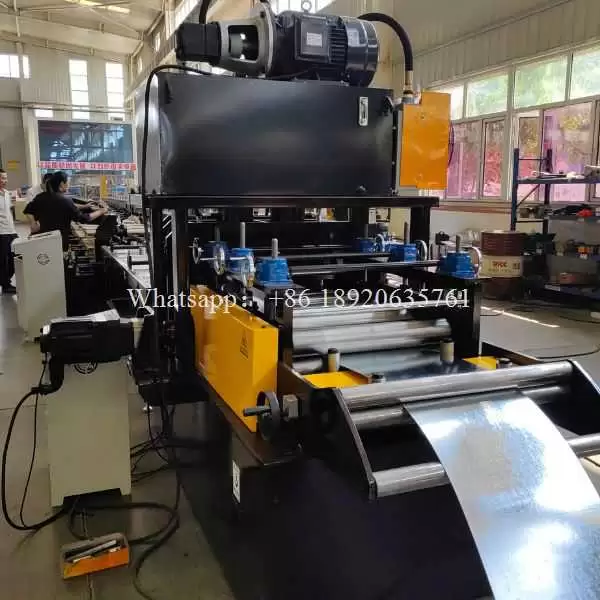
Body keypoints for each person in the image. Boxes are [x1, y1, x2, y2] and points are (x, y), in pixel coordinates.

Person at [23, 171, 108, 251]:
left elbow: (27, 210)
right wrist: (101, 211)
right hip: (59, 243)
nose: (68, 185)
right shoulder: (65, 200)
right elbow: (84, 218)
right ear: (62, 184)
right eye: (67, 182)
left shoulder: (40, 197)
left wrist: (33, 223)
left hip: (42, 240)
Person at [0, 169, 17, 294]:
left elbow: (9, 211)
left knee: (16, 257)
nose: (5, 180)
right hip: (1, 232)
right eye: (2, 178)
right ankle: (5, 285)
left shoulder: (6, 193)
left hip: (11, 230)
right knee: (3, 260)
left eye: (5, 178)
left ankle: (5, 280)